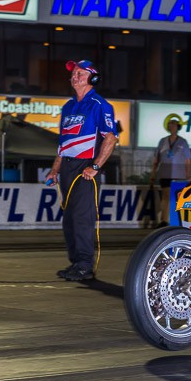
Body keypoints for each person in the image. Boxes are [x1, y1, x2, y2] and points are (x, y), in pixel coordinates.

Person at [46, 60, 118, 282]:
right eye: (73, 73)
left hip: (85, 167)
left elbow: (111, 138)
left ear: (92, 78)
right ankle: (76, 263)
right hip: (67, 167)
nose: (75, 77)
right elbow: (63, 144)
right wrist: (54, 170)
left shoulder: (99, 104)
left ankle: (85, 265)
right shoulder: (68, 106)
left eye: (80, 73)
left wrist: (95, 166)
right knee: (69, 219)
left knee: (82, 217)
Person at [149, 118, 191, 226]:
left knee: (175, 197)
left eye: (174, 125)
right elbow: (156, 159)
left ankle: (174, 220)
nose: (172, 127)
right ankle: (164, 220)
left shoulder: (183, 142)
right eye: (170, 125)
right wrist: (153, 174)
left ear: (178, 127)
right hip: (165, 172)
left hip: (179, 174)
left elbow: (188, 159)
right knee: (165, 196)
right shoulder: (163, 141)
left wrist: (187, 173)